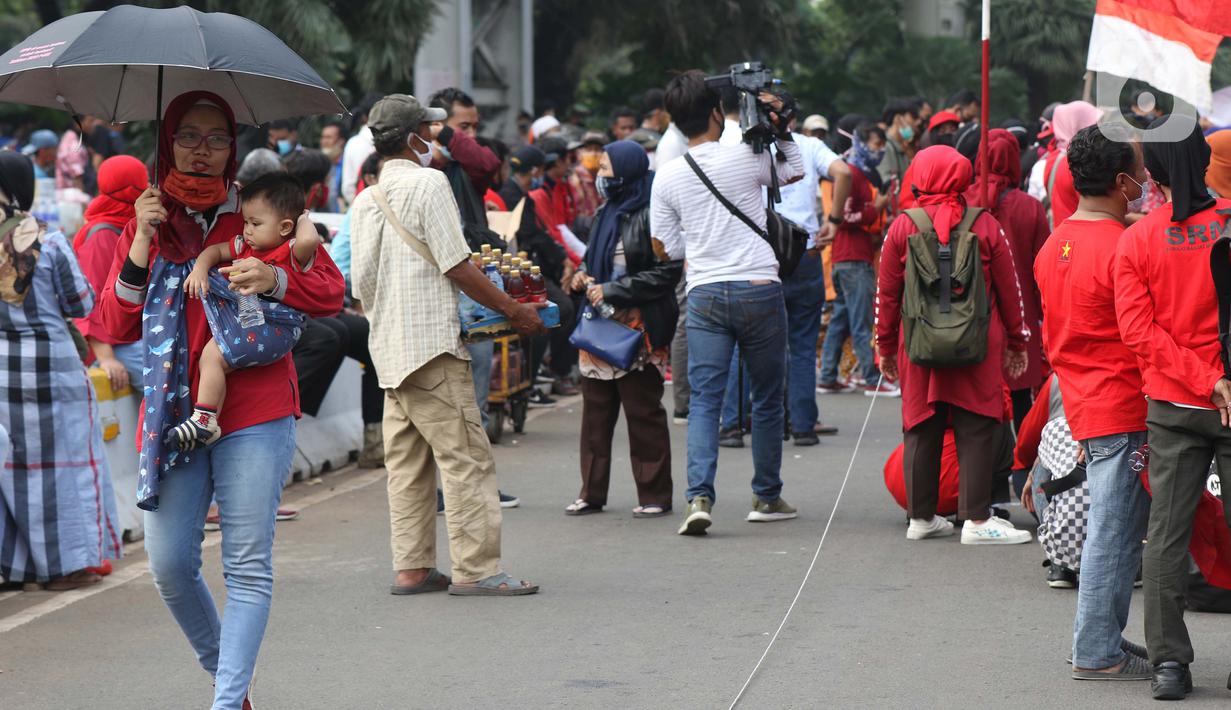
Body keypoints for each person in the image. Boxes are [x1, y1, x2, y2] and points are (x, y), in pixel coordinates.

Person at [97, 92, 345, 710]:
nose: (201, 151)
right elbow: (113, 322)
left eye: (215, 138)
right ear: (166, 142)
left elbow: (330, 292)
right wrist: (142, 239)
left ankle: (228, 701)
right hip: (172, 418)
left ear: (232, 147)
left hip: (255, 412)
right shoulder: (144, 218)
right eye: (187, 136)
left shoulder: (260, 209)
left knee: (247, 567)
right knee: (170, 566)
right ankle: (229, 678)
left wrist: (276, 277)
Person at [349, 93, 545, 597]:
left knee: (408, 465)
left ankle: (412, 567)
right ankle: (477, 569)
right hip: (431, 347)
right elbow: (456, 264)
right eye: (429, 132)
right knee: (466, 459)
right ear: (415, 137)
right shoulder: (430, 183)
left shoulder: (366, 200)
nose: (433, 141)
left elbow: (360, 286)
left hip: (390, 350)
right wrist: (513, 308)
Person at [651, 69, 804, 535]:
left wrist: (697, 244)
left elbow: (665, 248)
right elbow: (793, 170)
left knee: (704, 401)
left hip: (705, 295)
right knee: (765, 398)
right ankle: (767, 495)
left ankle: (699, 496)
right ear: (718, 113)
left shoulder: (669, 175)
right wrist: (784, 131)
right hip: (759, 286)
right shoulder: (746, 156)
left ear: (675, 122)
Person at [1113, 118, 1231, 700]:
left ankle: (1169, 665)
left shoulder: (1135, 240)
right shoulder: (1228, 228)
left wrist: (1201, 381)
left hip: (1173, 404)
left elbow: (1139, 333)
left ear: (1152, 171)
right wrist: (1219, 380)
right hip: (1230, 400)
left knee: (1165, 537)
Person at [1035, 125, 1153, 680]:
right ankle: (1097, 650)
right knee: (1115, 530)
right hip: (1124, 402)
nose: (1148, 180)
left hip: (1082, 401)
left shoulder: (1054, 243)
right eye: (1141, 171)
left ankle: (1103, 641)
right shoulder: (1123, 247)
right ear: (1121, 181)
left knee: (1116, 526)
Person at [875, 145, 1032, 545]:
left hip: (918, 342)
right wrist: (1018, 341)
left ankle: (921, 518)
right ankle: (978, 521)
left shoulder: (901, 226)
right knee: (977, 425)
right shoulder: (985, 225)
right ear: (962, 177)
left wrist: (885, 347)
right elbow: (1010, 290)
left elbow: (886, 296)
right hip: (976, 342)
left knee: (921, 424)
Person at [0, 151, 121, 592]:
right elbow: (81, 304)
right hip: (54, 375)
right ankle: (67, 566)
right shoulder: (47, 242)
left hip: (3, 378)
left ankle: (15, 568)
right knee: (63, 470)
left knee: (11, 470)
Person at [564, 140, 681, 516]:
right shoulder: (604, 214)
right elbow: (589, 260)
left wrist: (614, 288)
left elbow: (666, 271)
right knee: (595, 414)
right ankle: (590, 493)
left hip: (637, 328)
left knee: (642, 411)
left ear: (628, 173)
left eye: (606, 170)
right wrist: (583, 278)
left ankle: (654, 495)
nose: (600, 178)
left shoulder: (652, 214)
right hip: (599, 326)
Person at [170, 173, 320, 450]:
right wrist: (201, 269)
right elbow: (212, 252)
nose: (247, 229)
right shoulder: (245, 244)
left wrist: (304, 218)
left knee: (213, 355)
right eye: (246, 222)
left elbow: (310, 240)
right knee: (216, 358)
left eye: (255, 223)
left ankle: (204, 418)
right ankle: (209, 418)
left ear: (286, 226)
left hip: (275, 328)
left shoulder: (290, 250)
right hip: (250, 320)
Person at [966, 128, 1050, 426]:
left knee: (977, 396)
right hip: (1022, 312)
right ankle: (1021, 463)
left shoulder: (963, 204)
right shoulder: (1031, 207)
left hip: (971, 314)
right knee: (1019, 396)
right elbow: (1043, 269)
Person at [817, 121, 895, 397]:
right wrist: (876, 209)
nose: (880, 150)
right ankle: (871, 378)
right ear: (860, 143)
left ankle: (827, 375)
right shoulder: (852, 176)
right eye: (876, 144)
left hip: (846, 259)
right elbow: (845, 217)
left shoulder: (858, 175)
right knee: (861, 322)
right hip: (852, 259)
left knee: (841, 320)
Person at [73, 155, 149, 390]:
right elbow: (89, 300)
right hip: (112, 344)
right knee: (165, 380)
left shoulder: (136, 224)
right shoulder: (102, 234)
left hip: (135, 334)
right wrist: (106, 357)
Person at [1043, 101, 1103, 226]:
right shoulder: (1078, 161)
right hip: (1084, 233)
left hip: (1063, 233)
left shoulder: (1053, 157)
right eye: (1094, 124)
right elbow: (1098, 209)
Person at [341, 93, 380, 206]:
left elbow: (348, 188)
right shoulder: (392, 141)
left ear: (364, 116)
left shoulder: (353, 143)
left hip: (358, 205)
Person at [878, 97, 923, 190]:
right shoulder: (885, 147)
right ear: (898, 118)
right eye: (914, 117)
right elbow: (889, 186)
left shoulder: (904, 145)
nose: (918, 122)